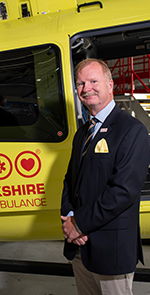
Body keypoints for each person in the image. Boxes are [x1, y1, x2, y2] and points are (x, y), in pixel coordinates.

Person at [61, 58, 150, 295]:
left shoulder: (132, 130)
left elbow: (123, 191)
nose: (86, 88)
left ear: (110, 85)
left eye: (93, 81)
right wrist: (69, 217)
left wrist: (78, 223)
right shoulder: (83, 132)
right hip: (80, 247)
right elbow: (70, 179)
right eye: (80, 83)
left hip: (111, 249)